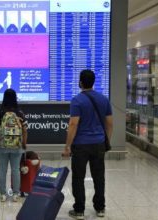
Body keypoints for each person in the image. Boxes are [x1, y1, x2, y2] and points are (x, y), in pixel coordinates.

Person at [62, 70, 113, 219]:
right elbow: (109, 123)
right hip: (98, 144)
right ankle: (100, 208)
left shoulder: (77, 100)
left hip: (80, 146)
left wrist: (67, 146)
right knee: (99, 177)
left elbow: (73, 124)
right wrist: (106, 141)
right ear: (93, 82)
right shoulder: (104, 99)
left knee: (78, 177)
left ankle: (79, 210)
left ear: (80, 82)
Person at [0, 89, 28, 202]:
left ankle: (3, 195)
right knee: (15, 170)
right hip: (17, 146)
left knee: (2, 170)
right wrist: (24, 143)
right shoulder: (20, 113)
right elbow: (24, 130)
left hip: (2, 146)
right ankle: (15, 194)